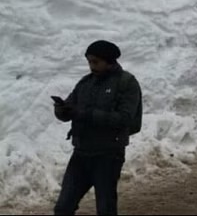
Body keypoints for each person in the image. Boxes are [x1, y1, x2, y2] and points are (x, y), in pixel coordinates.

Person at [53, 40, 142, 216]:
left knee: (106, 208)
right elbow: (70, 109)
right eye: (89, 61)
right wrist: (62, 110)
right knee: (63, 207)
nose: (91, 66)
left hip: (108, 155)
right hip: (81, 153)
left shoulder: (126, 83)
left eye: (96, 62)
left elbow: (124, 118)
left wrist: (85, 114)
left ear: (109, 61)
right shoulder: (85, 83)